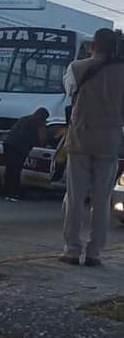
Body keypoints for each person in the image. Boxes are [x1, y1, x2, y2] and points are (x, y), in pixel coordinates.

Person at [60, 28, 124, 266]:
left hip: (80, 139)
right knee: (102, 199)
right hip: (109, 142)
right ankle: (95, 252)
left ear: (94, 44)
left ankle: (72, 250)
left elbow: (69, 91)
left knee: (75, 198)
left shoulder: (77, 67)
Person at [3, 107, 49, 202]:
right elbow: (41, 141)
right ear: (42, 118)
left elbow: (13, 131)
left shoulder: (24, 118)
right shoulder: (36, 124)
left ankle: (7, 193)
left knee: (9, 169)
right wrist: (43, 128)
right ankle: (14, 194)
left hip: (8, 144)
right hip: (19, 148)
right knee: (16, 170)